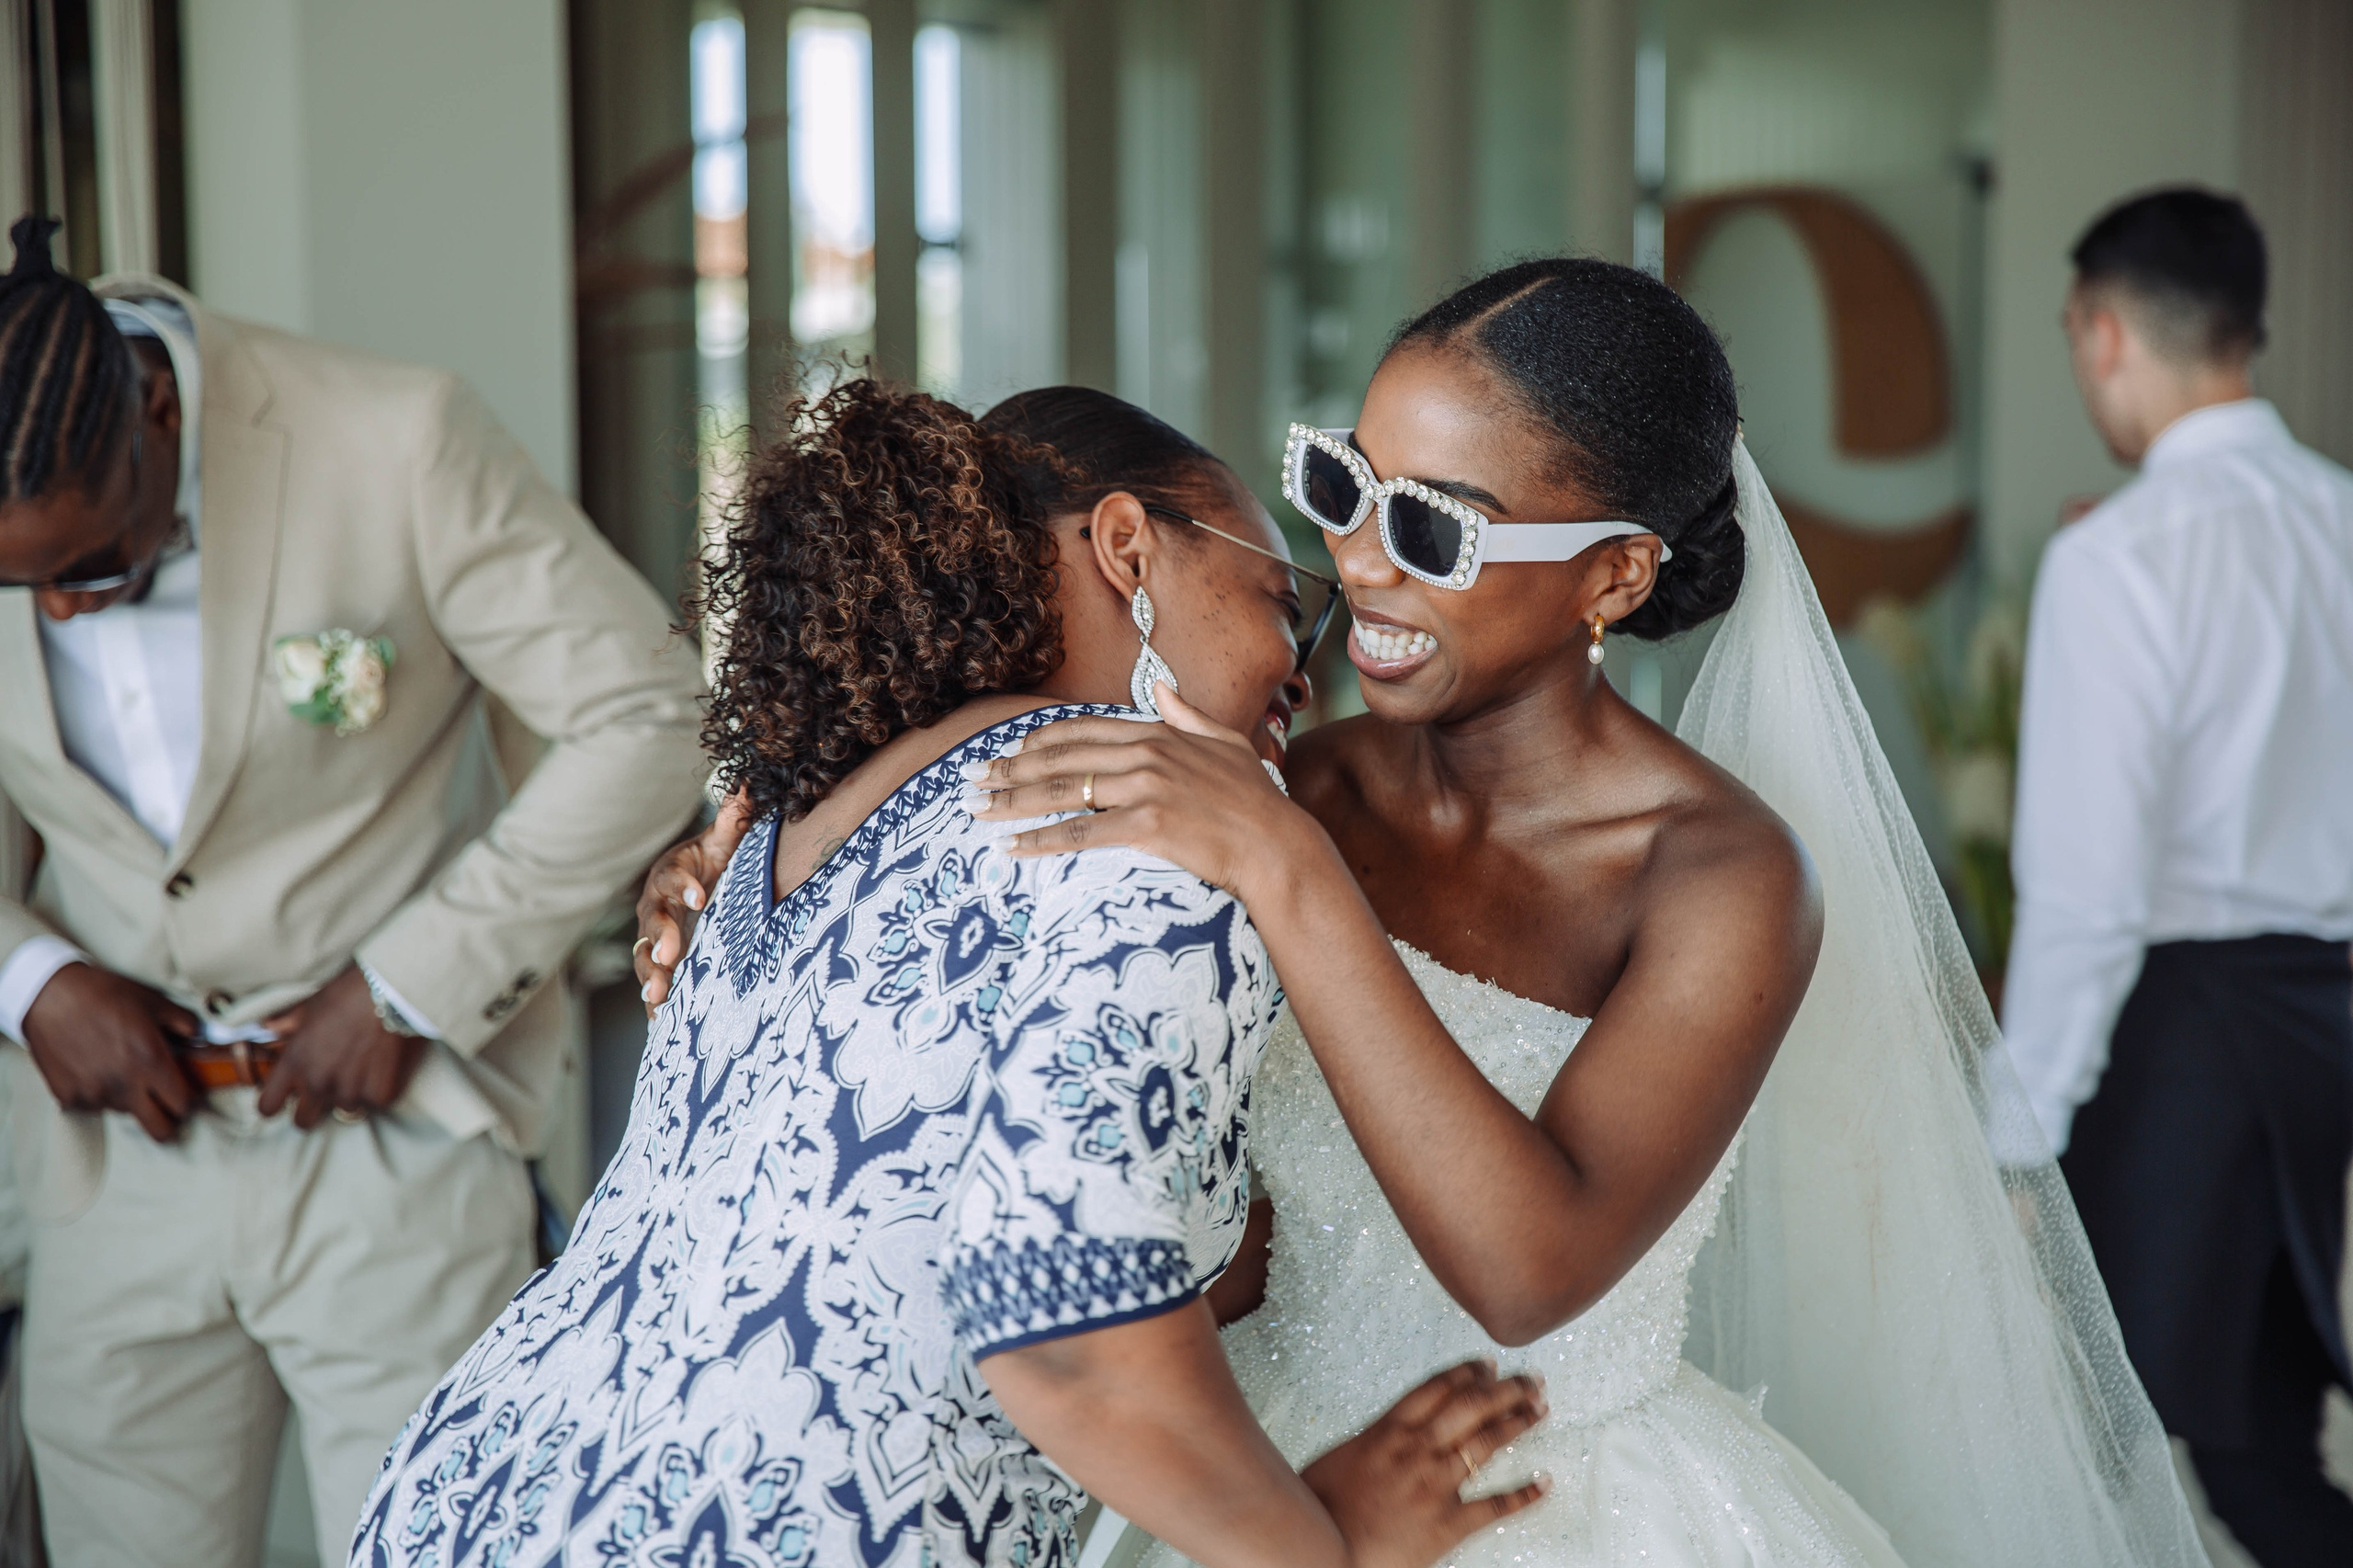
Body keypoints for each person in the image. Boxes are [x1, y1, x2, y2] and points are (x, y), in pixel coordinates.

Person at [957, 260, 2211, 1566]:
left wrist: (1292, 871)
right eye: (1345, 487)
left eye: (1433, 531)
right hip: (1293, 1472)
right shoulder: (1300, 783)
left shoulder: (1722, 876)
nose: (1360, 563)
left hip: (1581, 1502)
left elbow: (1530, 1269)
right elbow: (1235, 1214)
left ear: (1612, 575)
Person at [355, 380, 1551, 1568]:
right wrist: (1327, 1550)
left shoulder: (782, 830)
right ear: (1129, 550)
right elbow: (1069, 1332)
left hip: (464, 1496)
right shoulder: (1152, 825)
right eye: (1283, 603)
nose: (1304, 673)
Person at [0, 216, 709, 1566]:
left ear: (156, 410)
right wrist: (28, 979)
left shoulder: (397, 441)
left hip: (392, 1153)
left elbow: (647, 711)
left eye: (91, 567)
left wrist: (411, 981)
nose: (64, 615)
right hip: (109, 1163)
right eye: (18, 588)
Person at [2001, 187, 2353, 1566]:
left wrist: (2019, 1133)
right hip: (2324, 1034)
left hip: (2184, 1046)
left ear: (2102, 333)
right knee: (2260, 1446)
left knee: (2089, 1441)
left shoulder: (2119, 556)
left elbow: (2086, 892)